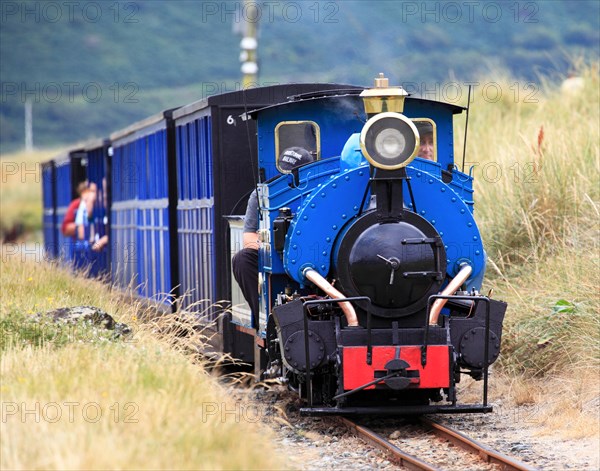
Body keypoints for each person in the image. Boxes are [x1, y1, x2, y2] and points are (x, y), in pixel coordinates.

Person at [232, 147, 315, 328]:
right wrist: (276, 250)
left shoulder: (321, 189)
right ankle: (264, 319)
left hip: (315, 256)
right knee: (242, 259)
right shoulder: (261, 195)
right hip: (277, 255)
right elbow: (249, 237)